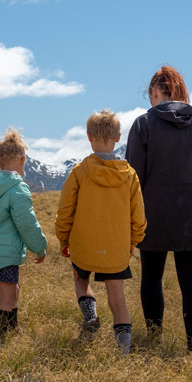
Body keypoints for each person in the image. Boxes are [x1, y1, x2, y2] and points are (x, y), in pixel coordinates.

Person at [126, 66, 192, 352]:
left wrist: (130, 224)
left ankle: (154, 338)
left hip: (152, 217)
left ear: (156, 93)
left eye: (150, 96)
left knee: (152, 278)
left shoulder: (143, 125)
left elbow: (134, 180)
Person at [56, 110, 146, 354]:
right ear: (118, 137)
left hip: (83, 246)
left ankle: (90, 319)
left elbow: (65, 211)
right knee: (117, 299)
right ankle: (123, 352)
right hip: (116, 249)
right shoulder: (130, 176)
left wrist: (64, 240)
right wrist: (131, 244)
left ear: (89, 136)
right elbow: (138, 219)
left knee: (81, 279)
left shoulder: (79, 172)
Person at [0, 129, 47, 332]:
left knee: (12, 289)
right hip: (5, 253)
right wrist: (40, 247)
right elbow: (27, 223)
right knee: (8, 296)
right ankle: (0, 334)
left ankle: (12, 327)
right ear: (23, 160)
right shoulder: (17, 189)